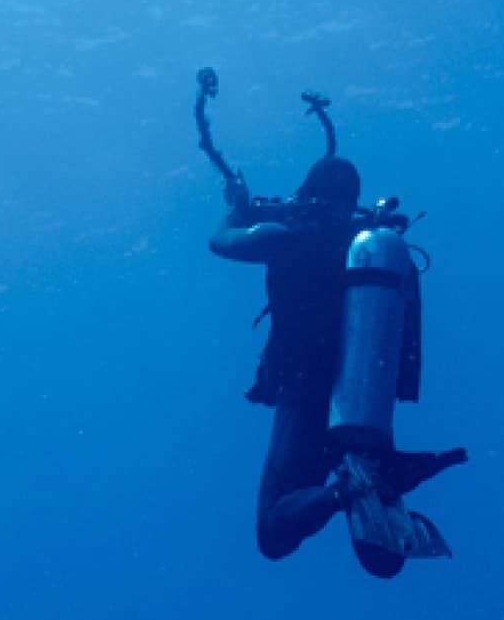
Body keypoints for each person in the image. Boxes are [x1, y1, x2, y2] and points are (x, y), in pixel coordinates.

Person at [196, 73, 462, 576]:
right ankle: (371, 476)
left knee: (273, 532)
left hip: (305, 394)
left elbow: (219, 242)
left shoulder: (283, 234)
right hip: (368, 398)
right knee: (382, 561)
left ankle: (345, 489)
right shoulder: (372, 244)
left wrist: (234, 210)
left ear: (306, 191)